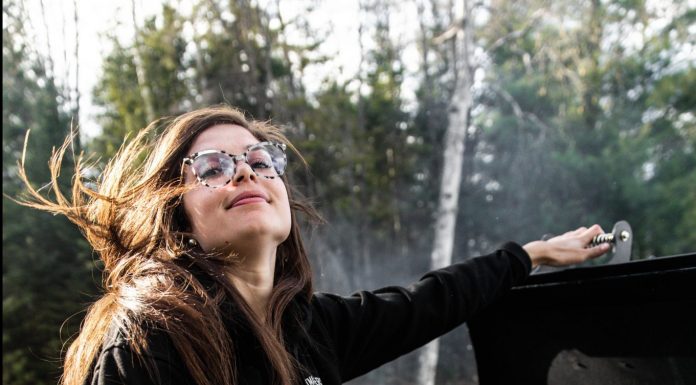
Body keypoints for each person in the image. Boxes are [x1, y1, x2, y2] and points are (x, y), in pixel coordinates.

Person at [16, 105, 610, 385]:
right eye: (214, 166)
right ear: (177, 212)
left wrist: (532, 255)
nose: (246, 173)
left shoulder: (312, 329)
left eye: (258, 160)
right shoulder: (150, 339)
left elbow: (435, 299)